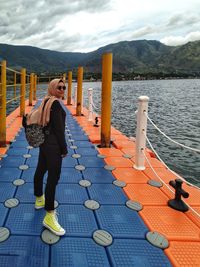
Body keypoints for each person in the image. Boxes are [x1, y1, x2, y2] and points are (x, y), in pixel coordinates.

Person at [33, 78, 68, 236]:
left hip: (44, 143)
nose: (62, 89)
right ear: (53, 88)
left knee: (41, 170)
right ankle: (49, 216)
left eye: (64, 87)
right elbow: (60, 131)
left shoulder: (46, 100)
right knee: (53, 178)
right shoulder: (55, 104)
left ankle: (39, 199)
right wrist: (64, 148)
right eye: (59, 87)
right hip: (53, 146)